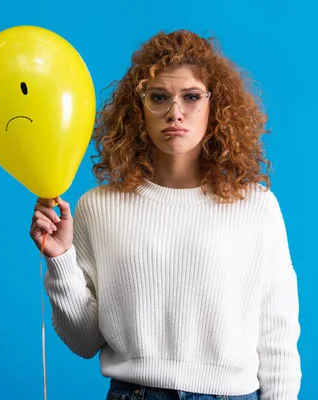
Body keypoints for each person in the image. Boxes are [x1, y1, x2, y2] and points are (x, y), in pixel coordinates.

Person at [29, 30, 301, 400]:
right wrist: (60, 260)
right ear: (138, 108)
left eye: (191, 97)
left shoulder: (256, 206)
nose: (175, 112)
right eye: (158, 97)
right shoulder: (99, 206)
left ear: (215, 105)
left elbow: (278, 335)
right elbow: (84, 341)